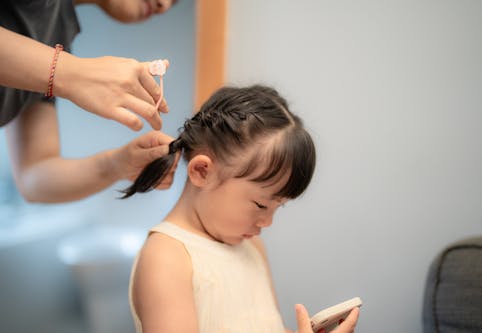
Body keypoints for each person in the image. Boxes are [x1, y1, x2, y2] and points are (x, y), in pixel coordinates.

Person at [124, 85, 360, 333]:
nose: (267, 222)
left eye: (278, 207)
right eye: (260, 204)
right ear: (202, 171)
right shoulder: (168, 256)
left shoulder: (252, 247)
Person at [0, 0, 179, 203]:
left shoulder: (57, 36)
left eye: (174, 3)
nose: (164, 5)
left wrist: (117, 165)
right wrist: (71, 73)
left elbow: (33, 177)